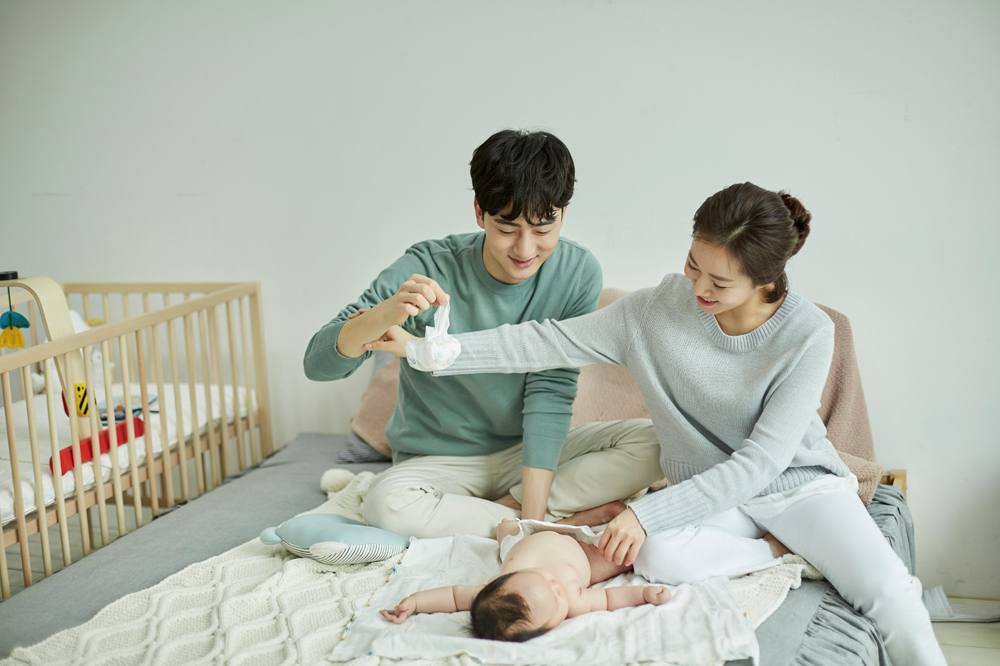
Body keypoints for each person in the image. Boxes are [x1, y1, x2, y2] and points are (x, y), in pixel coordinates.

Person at [371, 182, 947, 665]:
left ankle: (798, 546)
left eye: (719, 283)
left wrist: (645, 514)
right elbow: (545, 341)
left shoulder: (809, 332)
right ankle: (780, 553)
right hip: (705, 492)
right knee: (656, 558)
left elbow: (763, 462)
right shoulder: (652, 311)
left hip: (795, 488)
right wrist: (430, 352)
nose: (698, 289)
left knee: (892, 596)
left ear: (764, 280)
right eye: (694, 265)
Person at [303, 129, 664, 540]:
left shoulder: (577, 272)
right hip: (438, 462)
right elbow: (318, 366)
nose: (525, 249)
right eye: (507, 228)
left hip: (526, 455)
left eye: (542, 229)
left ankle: (511, 514)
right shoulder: (429, 266)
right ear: (480, 212)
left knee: (658, 444)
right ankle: (555, 520)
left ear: (563, 214)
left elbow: (550, 391)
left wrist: (530, 512)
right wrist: (384, 313)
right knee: (386, 504)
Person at [380, 517, 674, 642]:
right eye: (557, 596)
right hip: (581, 553)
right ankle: (595, 520)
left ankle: (544, 522)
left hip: (524, 541)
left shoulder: (492, 589)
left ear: (506, 578)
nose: (556, 584)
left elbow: (453, 596)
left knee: (506, 528)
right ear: (549, 627)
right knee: (621, 556)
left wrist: (415, 602)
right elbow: (609, 598)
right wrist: (644, 594)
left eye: (543, 579)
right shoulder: (574, 601)